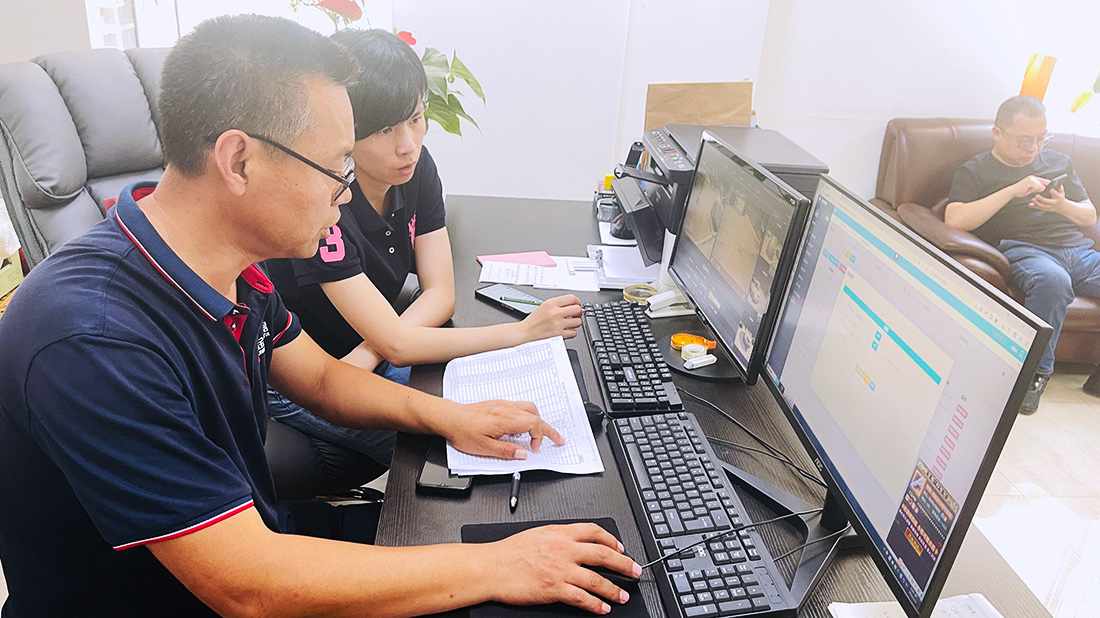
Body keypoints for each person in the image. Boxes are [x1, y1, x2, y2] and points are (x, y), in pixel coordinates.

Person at [0, 15, 637, 617]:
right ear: (239, 161)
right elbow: (247, 588)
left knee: (497, 534)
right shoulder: (91, 337)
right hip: (183, 597)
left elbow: (325, 380)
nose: (346, 191)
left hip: (260, 539)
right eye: (336, 168)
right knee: (503, 569)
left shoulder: (232, 269)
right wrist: (498, 565)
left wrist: (456, 418)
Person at [264, 28, 582, 473]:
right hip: (308, 378)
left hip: (360, 360)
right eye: (385, 129)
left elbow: (440, 295)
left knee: (504, 403)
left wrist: (376, 348)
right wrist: (523, 331)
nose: (408, 144)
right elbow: (396, 343)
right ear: (345, 130)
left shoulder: (415, 167)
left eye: (415, 118)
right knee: (455, 451)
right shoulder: (325, 203)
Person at [945, 95, 1099, 415]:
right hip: (1027, 250)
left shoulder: (1059, 162)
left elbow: (1089, 217)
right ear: (997, 133)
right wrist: (1013, 190)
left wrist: (1062, 206)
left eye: (1042, 139)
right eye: (1025, 141)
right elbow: (954, 219)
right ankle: (1033, 376)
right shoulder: (976, 170)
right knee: (1053, 282)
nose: (1034, 148)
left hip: (1077, 251)